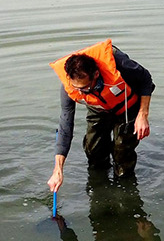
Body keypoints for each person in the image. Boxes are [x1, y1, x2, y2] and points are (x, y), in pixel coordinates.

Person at [48, 39, 153, 194]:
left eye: (84, 87)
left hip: (127, 105)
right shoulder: (69, 87)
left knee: (122, 153)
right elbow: (65, 125)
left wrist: (142, 115)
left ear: (96, 74)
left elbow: (146, 80)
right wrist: (58, 169)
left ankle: (125, 193)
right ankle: (99, 191)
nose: (80, 92)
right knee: (94, 150)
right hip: (98, 107)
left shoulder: (120, 64)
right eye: (77, 88)